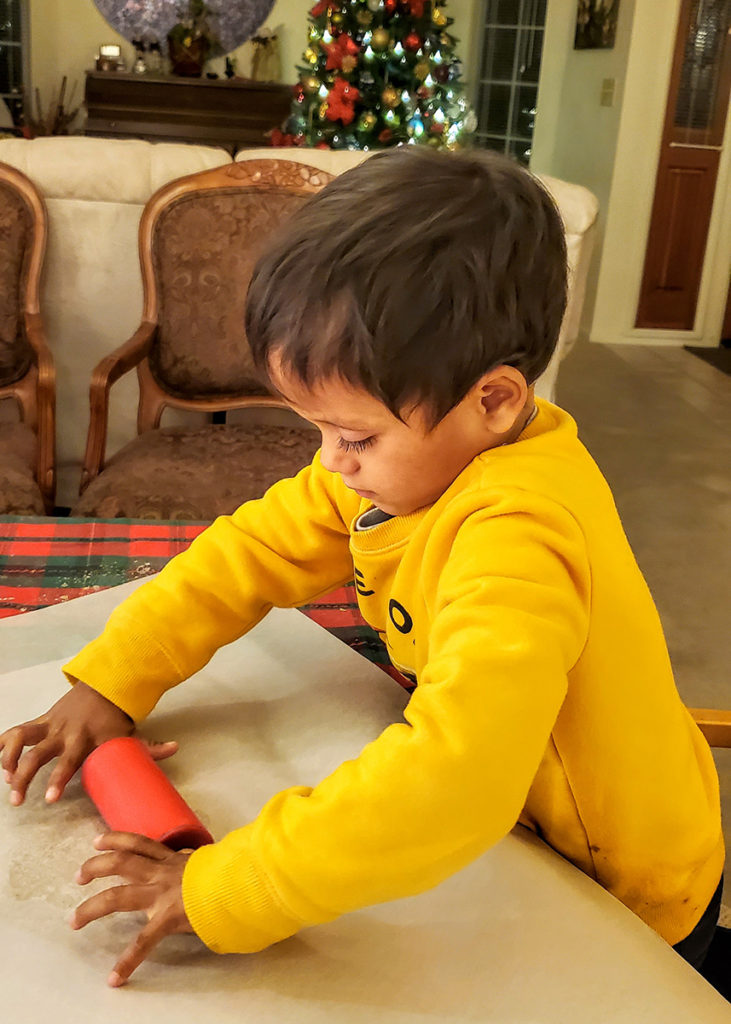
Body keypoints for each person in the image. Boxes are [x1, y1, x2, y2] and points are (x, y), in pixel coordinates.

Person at [0, 148, 724, 988]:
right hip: (517, 838)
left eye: (355, 437)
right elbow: (251, 550)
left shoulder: (520, 530)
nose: (330, 463)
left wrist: (233, 885)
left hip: (626, 892)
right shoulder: (415, 458)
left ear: (493, 400)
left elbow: (454, 778)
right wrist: (112, 679)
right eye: (318, 430)